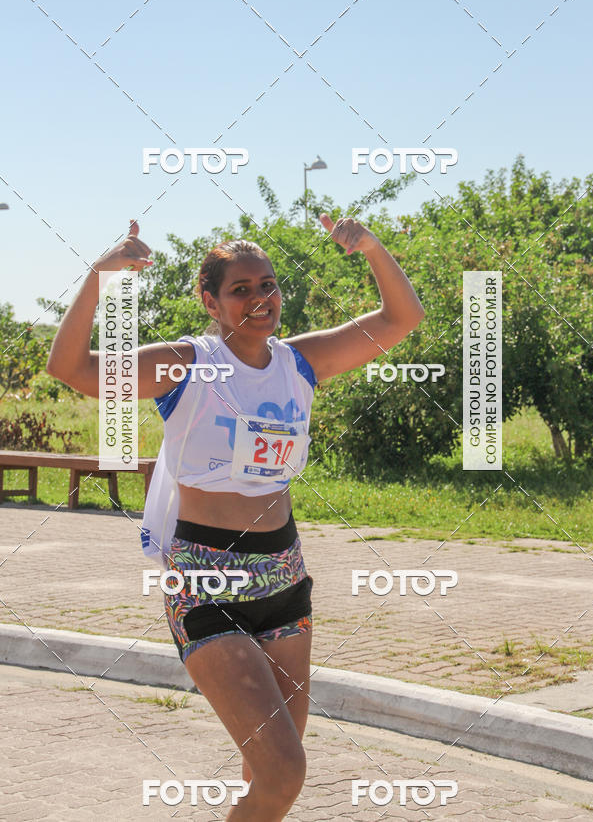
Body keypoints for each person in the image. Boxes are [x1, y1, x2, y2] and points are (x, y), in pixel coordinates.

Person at [46, 214, 425, 821]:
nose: (259, 299)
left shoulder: (299, 362)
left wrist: (373, 247)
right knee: (285, 773)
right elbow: (73, 370)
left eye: (268, 285)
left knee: (266, 771)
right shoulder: (186, 363)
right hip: (205, 579)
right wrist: (99, 277)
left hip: (283, 577)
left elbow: (401, 320)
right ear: (211, 301)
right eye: (240, 289)